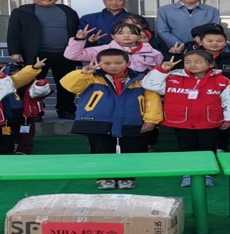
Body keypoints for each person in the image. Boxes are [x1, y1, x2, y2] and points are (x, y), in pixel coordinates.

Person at [59, 49, 162, 190]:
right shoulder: (90, 77)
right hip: (97, 121)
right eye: (107, 63)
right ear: (98, 63)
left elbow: (152, 100)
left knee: (131, 151)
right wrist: (82, 73)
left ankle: (127, 178)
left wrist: (151, 120)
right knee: (101, 151)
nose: (113, 66)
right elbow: (68, 85)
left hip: (131, 121)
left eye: (118, 63)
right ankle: (104, 178)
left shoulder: (141, 79)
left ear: (128, 63)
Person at [142, 51, 230, 188]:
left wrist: (229, 119)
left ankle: (207, 174)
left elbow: (229, 101)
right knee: (186, 148)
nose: (192, 65)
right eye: (188, 62)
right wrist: (162, 70)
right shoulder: (172, 78)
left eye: (198, 62)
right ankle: (188, 174)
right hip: (182, 123)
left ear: (211, 64)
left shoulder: (222, 80)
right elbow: (149, 85)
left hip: (209, 122)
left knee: (208, 149)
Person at [6, 0, 81, 119]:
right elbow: (13, 33)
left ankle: (66, 110)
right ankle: (35, 111)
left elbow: (77, 30)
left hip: (65, 54)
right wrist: (14, 51)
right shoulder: (22, 11)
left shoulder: (67, 10)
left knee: (67, 82)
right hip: (37, 54)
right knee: (34, 83)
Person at [65, 23, 163, 74]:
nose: (126, 36)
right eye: (121, 33)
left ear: (138, 36)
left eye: (131, 33)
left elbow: (157, 71)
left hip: (141, 88)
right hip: (108, 87)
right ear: (113, 36)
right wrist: (79, 39)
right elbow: (72, 55)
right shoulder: (103, 50)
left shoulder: (153, 52)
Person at [156, 0, 221, 47]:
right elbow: (162, 31)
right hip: (174, 48)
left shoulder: (212, 10)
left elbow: (215, 30)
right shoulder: (165, 10)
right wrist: (179, 45)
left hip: (204, 48)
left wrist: (202, 43)